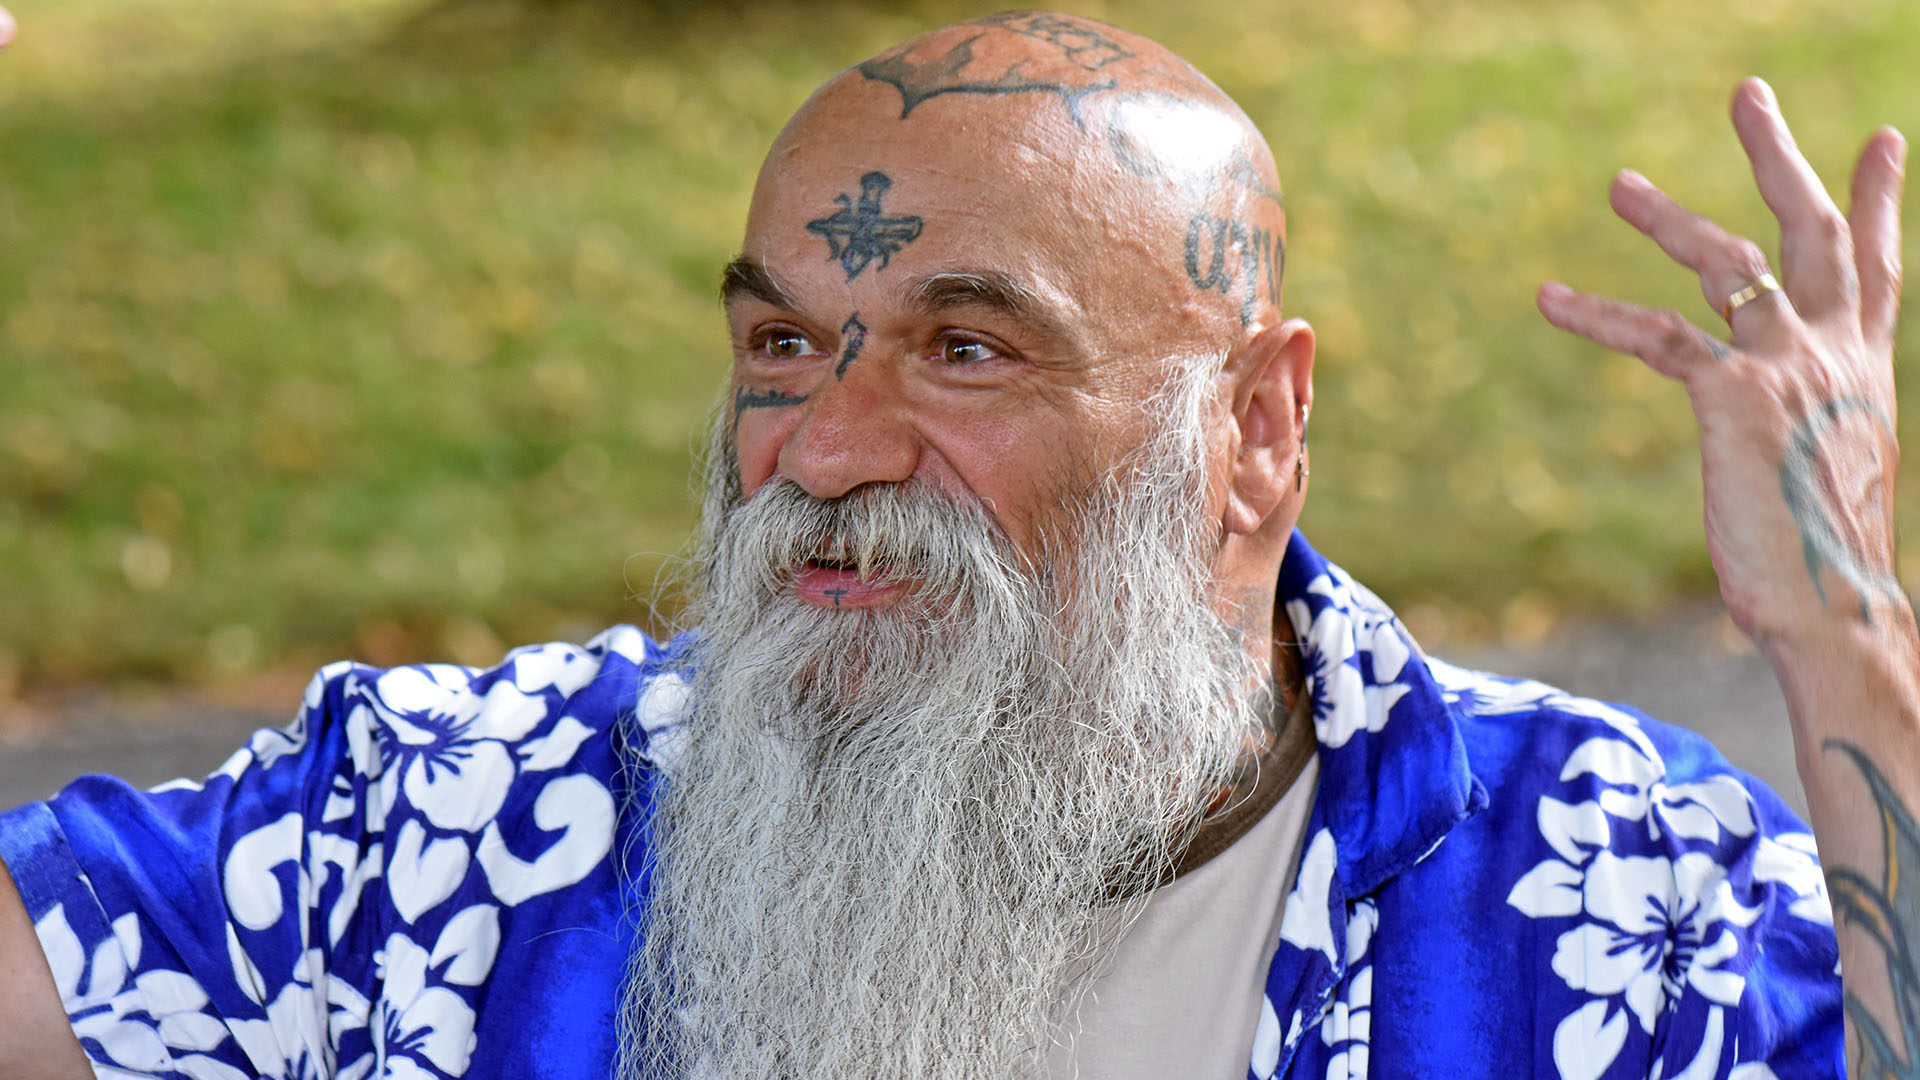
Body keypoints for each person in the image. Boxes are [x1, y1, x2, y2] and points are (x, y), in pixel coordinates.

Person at [0, 10, 1913, 1079]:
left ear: (1252, 432)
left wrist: (1845, 643)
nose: (821, 451)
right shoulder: (451, 838)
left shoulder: (1600, 896)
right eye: (779, 345)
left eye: (968, 350)